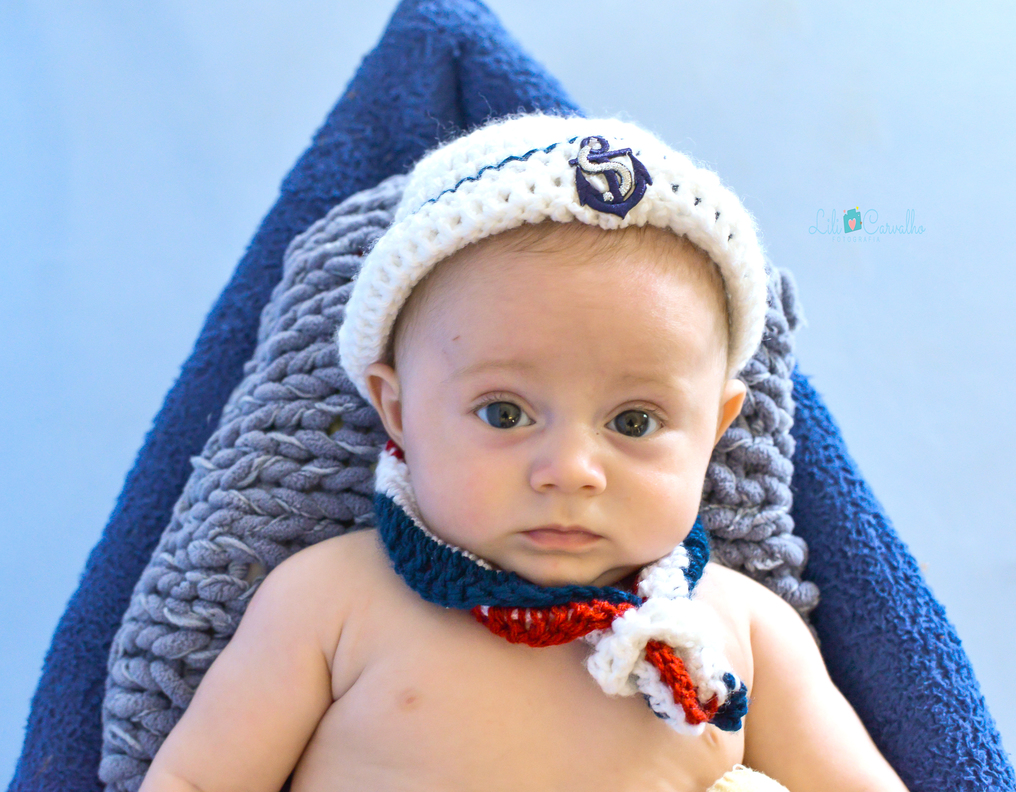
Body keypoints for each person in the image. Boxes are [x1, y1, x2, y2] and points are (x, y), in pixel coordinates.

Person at [139, 114, 909, 792]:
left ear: (715, 428)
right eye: (504, 413)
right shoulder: (332, 603)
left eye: (635, 422)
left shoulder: (741, 629)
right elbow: (199, 780)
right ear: (398, 411)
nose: (571, 470)